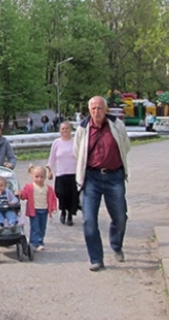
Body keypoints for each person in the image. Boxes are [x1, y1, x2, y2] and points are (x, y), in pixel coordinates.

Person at [73, 95, 130, 272]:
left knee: (120, 217)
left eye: (99, 108)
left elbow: (126, 145)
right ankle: (96, 258)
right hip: (92, 178)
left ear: (105, 109)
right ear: (89, 110)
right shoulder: (83, 128)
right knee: (89, 220)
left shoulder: (116, 124)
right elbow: (78, 152)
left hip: (114, 176)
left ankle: (116, 244)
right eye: (93, 109)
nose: (96, 112)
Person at [16, 165, 57, 251]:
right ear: (32, 176)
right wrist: (20, 194)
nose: (39, 179)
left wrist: (53, 207)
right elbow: (24, 195)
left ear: (45, 177)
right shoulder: (30, 187)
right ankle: (33, 243)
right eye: (37, 177)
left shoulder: (48, 188)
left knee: (42, 227)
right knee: (35, 227)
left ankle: (40, 242)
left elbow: (53, 198)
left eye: (41, 177)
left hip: (44, 210)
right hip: (34, 210)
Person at [47, 121, 79, 226]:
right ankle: (63, 211)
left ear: (71, 130)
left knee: (72, 195)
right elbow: (52, 158)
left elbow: (80, 157)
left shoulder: (75, 142)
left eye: (67, 128)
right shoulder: (56, 142)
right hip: (61, 173)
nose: (65, 131)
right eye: (63, 129)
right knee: (61, 193)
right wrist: (49, 170)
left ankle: (70, 214)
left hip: (73, 173)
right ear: (60, 130)